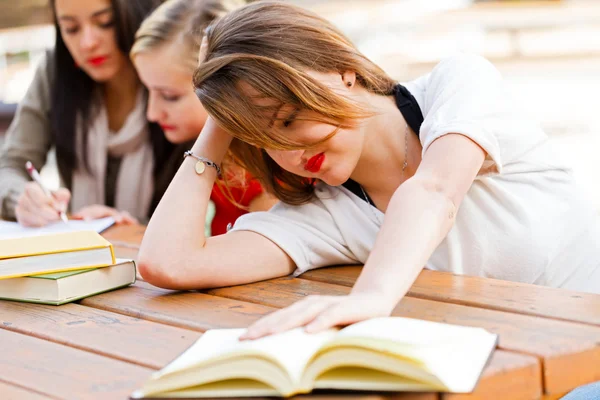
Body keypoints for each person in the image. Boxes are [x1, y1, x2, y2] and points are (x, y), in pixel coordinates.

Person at [138, 1, 600, 340]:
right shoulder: (328, 212)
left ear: (342, 70)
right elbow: (168, 263)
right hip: (496, 375)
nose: (291, 151)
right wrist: (221, 117)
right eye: (267, 141)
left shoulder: (456, 88)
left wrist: (371, 297)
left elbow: (435, 193)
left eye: (288, 119)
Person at [0, 0, 185, 227]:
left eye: (105, 23)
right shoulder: (55, 73)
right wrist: (23, 199)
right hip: (80, 247)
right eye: (71, 28)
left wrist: (132, 226)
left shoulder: (176, 75)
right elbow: (11, 166)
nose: (88, 43)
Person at [130, 0, 276, 236]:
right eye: (148, 91)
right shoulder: (223, 157)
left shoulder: (262, 176)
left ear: (224, 86)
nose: (152, 113)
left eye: (169, 96)